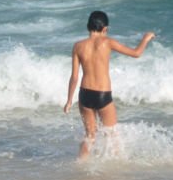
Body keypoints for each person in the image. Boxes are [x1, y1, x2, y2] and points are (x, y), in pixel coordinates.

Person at [64, 11, 154, 158]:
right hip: (102, 95)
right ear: (105, 29)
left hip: (84, 94)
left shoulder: (78, 46)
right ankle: (115, 168)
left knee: (90, 137)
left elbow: (74, 77)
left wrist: (69, 101)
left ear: (88, 26)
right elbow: (136, 53)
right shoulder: (108, 42)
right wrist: (146, 38)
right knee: (112, 136)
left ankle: (80, 166)